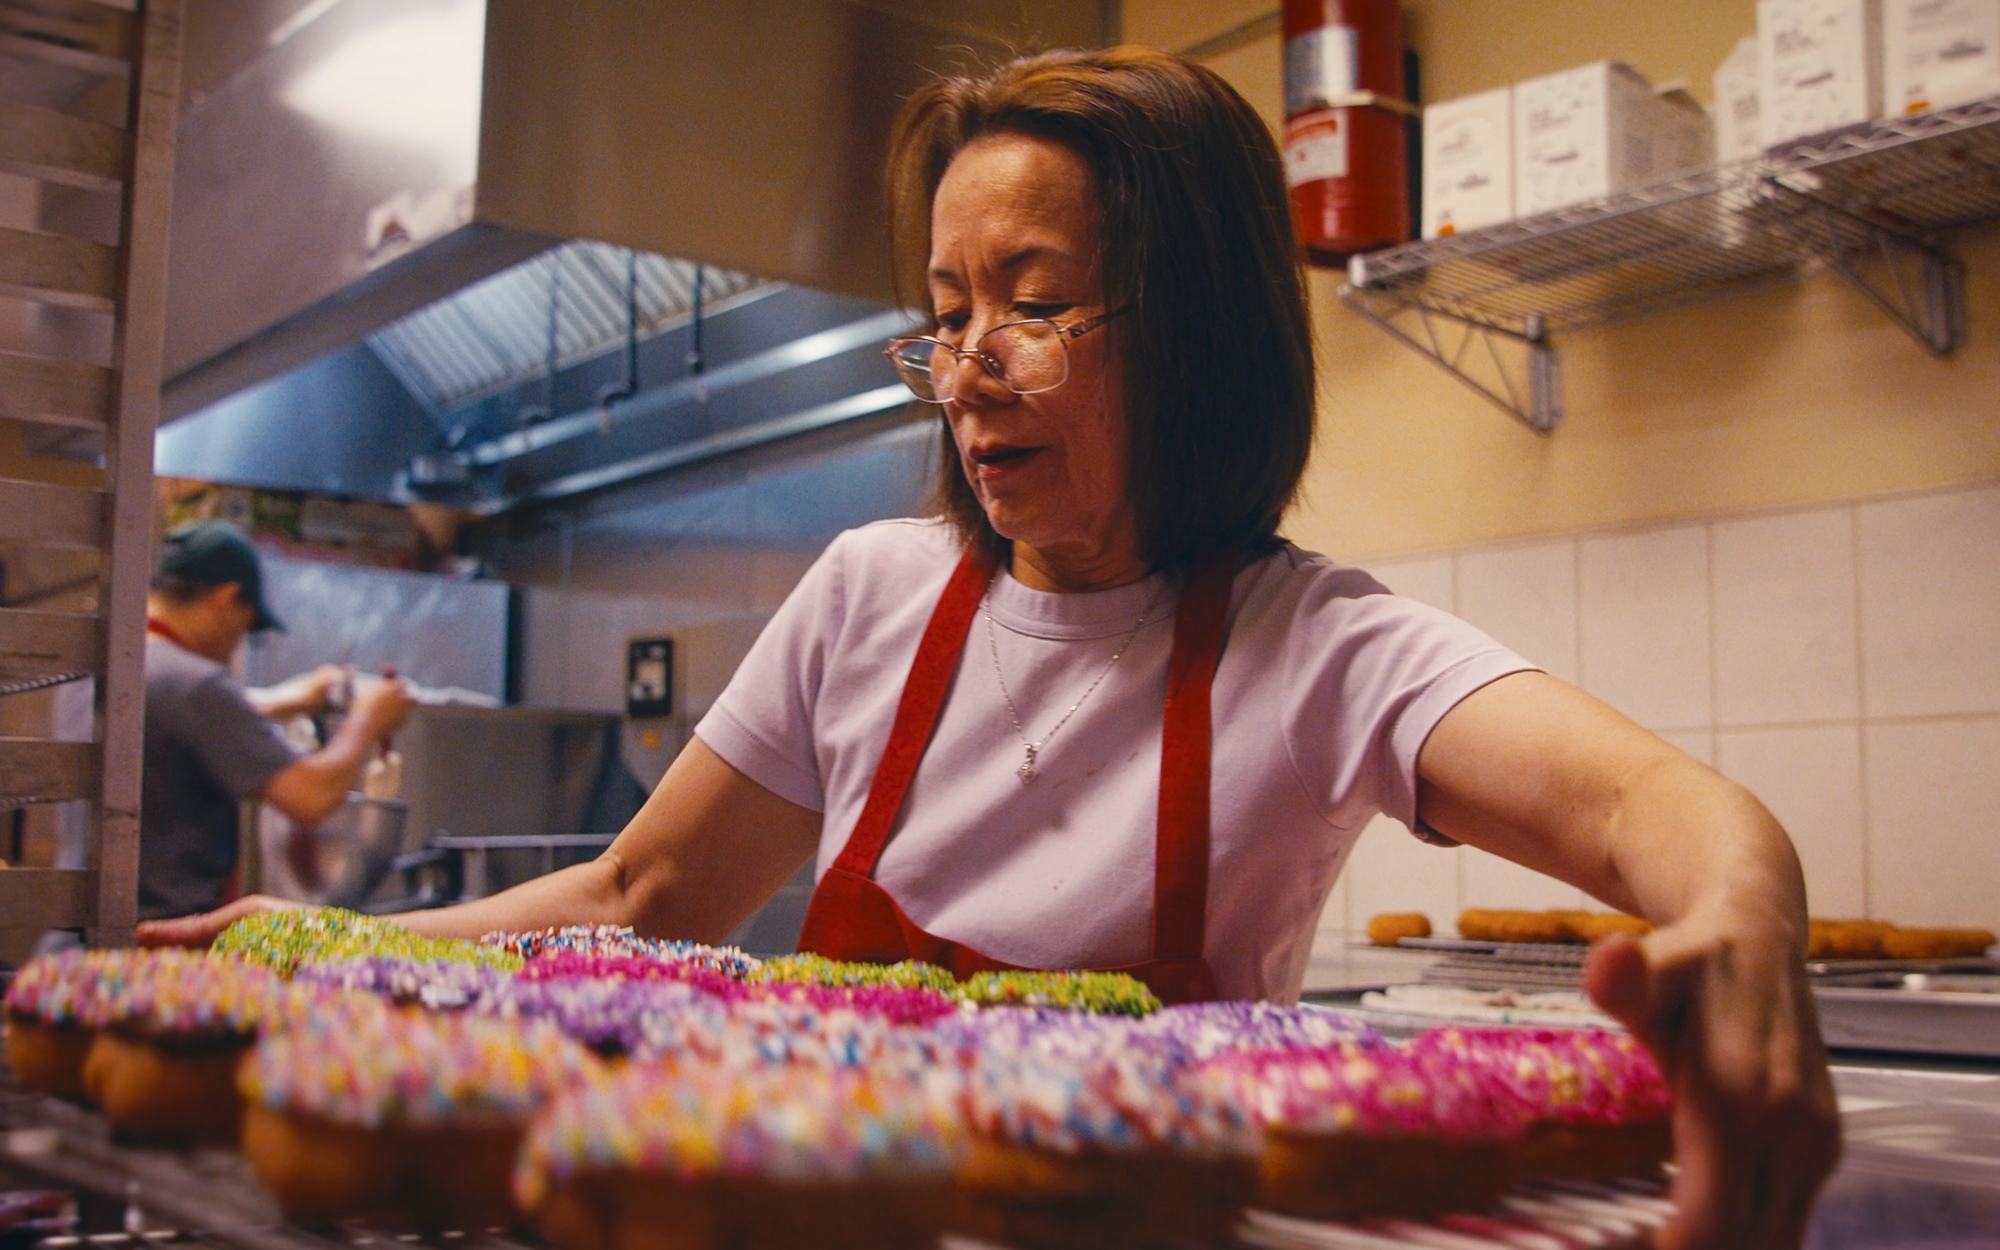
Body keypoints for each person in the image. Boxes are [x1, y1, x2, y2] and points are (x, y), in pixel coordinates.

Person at [142, 50, 1837, 1248]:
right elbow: (637, 899)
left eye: (1032, 301)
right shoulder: (870, 592)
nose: (969, 368)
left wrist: (1745, 922)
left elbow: (1657, 811)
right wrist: (328, 949)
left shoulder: (1310, 647)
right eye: (946, 316)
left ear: (1188, 326)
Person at [139, 520, 414, 920]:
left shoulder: (122, 665)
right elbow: (311, 797)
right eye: (245, 628)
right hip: (161, 945)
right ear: (225, 599)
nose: (237, 642)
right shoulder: (195, 685)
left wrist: (292, 699)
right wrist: (368, 718)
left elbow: (182, 726)